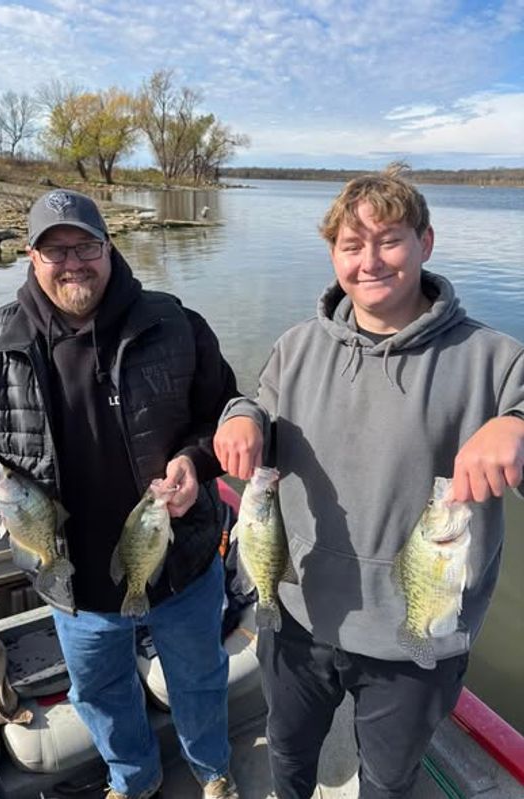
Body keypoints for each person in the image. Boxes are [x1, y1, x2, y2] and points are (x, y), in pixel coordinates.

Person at [213, 167, 524, 799]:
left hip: (417, 634)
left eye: (390, 240)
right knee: (290, 756)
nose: (370, 261)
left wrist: (517, 425)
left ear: (426, 243)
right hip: (296, 614)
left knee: (388, 780)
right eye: (353, 246)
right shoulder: (297, 346)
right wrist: (239, 417)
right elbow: (259, 412)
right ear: (334, 254)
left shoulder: (496, 359)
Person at [0, 189, 241, 799]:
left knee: (200, 678)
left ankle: (214, 771)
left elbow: (221, 415)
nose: (73, 262)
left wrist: (193, 461)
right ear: (30, 256)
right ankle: (134, 779)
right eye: (54, 249)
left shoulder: (176, 323)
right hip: (72, 583)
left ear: (108, 246)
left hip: (181, 561)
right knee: (99, 690)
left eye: (85, 246)